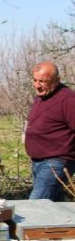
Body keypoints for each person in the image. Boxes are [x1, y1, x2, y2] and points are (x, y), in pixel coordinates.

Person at [25, 61, 75, 201]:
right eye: (35, 80)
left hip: (56, 162)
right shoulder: (42, 96)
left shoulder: (68, 99)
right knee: (52, 207)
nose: (37, 85)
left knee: (36, 206)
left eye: (42, 81)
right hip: (38, 161)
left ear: (57, 80)